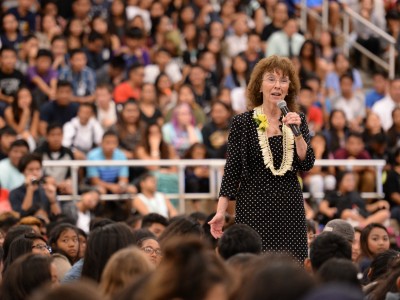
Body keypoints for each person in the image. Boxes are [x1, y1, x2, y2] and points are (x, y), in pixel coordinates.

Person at [209, 55, 315, 263]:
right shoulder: (242, 122)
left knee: (291, 268)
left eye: (283, 80)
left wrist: (298, 134)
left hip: (289, 205)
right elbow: (232, 169)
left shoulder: (298, 118)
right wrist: (221, 212)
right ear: (259, 86)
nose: (277, 85)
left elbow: (307, 162)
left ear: (289, 88)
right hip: (253, 205)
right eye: (271, 79)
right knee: (254, 266)